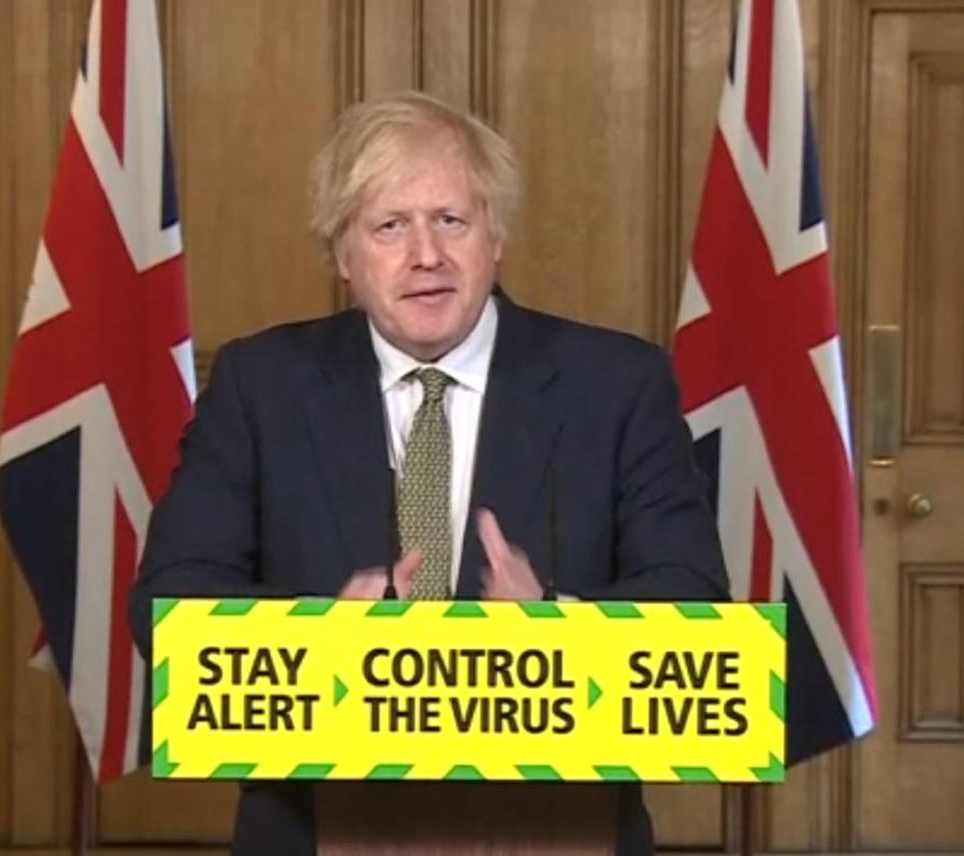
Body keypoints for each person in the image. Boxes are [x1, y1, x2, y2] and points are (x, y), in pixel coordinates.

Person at [129, 90, 728, 855]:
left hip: (558, 823)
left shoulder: (616, 385)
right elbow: (168, 602)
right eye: (389, 227)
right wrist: (315, 641)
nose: (426, 255)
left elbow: (696, 600)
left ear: (496, 236)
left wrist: (560, 625)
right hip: (317, 824)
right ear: (343, 256)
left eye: (452, 220)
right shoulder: (261, 386)